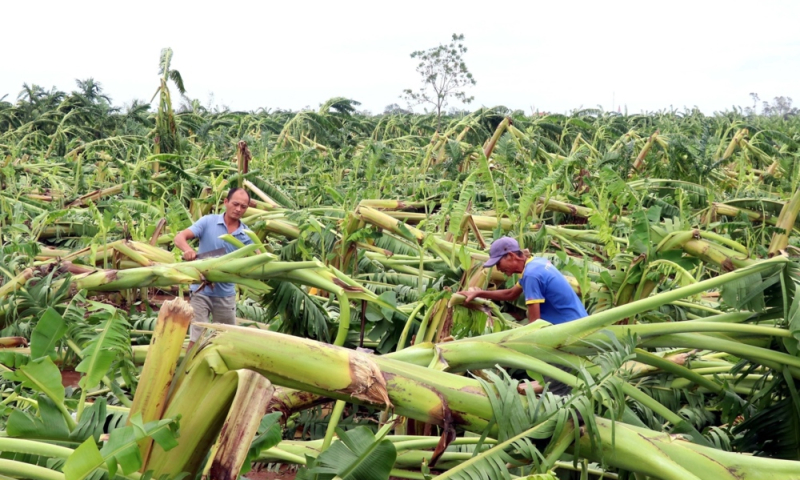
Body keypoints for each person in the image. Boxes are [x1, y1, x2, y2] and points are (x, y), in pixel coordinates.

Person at [173, 187, 254, 349]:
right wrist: (188, 250)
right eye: (235, 204)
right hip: (200, 291)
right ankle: (188, 371)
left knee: (225, 339)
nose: (238, 209)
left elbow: (256, 258)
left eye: (243, 207)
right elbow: (179, 237)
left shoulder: (247, 235)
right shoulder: (208, 222)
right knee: (197, 336)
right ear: (226, 202)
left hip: (225, 294)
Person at [457, 236, 587, 325]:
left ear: (512, 256)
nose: (498, 268)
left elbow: (534, 324)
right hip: (579, 321)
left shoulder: (531, 275)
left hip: (570, 329)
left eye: (498, 263)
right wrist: (479, 293)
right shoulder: (535, 263)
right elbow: (511, 294)